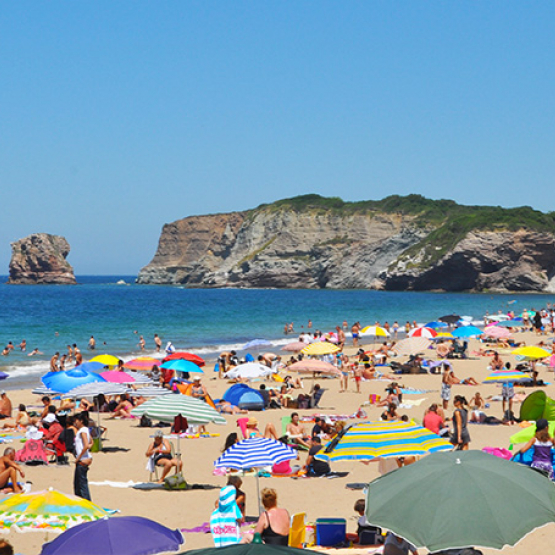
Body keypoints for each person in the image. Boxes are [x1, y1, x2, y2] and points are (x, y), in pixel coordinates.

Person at [73, 412, 92, 500]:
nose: (75, 422)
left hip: (83, 459)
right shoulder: (85, 430)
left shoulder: (83, 431)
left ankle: (86, 504)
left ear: (81, 421)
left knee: (81, 485)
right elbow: (91, 443)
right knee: (79, 484)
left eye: (76, 421)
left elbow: (86, 445)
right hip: (85, 458)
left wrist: (78, 458)